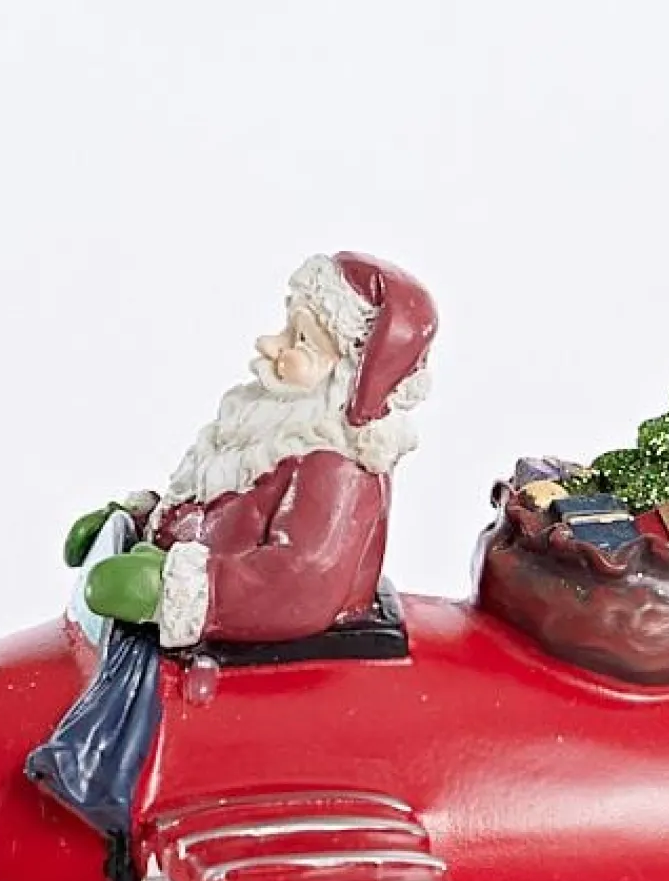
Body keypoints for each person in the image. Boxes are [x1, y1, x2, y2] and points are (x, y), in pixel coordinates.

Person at [64, 250, 436, 647]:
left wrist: (164, 590)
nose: (270, 345)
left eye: (302, 340)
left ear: (348, 378)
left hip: (255, 647)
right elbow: (222, 515)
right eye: (286, 329)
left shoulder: (332, 469)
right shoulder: (269, 437)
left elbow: (301, 582)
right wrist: (143, 524)